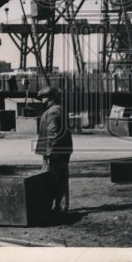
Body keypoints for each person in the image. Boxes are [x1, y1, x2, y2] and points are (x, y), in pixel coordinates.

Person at [36, 85, 73, 213]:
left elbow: (53, 133)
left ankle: (51, 207)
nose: (42, 100)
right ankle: (61, 206)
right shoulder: (60, 109)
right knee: (62, 179)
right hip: (64, 151)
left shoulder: (52, 112)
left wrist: (49, 152)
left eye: (43, 98)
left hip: (54, 152)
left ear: (51, 98)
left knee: (50, 180)